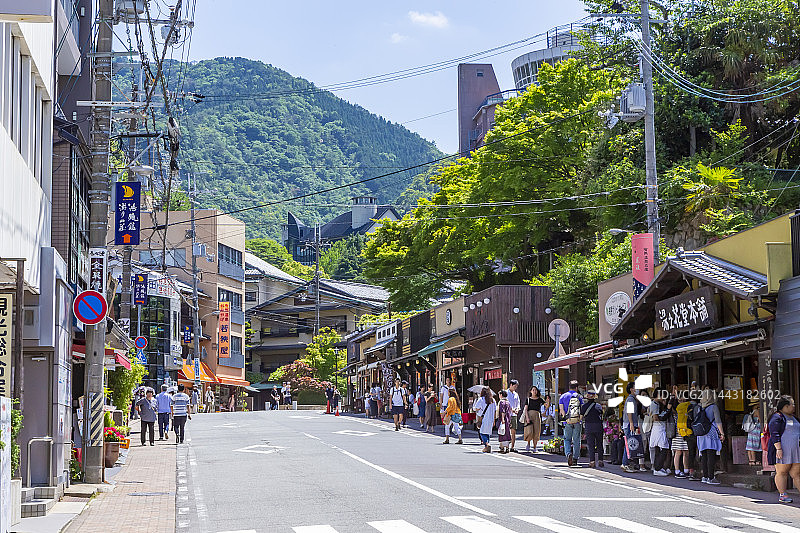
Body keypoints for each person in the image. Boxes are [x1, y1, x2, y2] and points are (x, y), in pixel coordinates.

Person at [767, 395, 800, 503]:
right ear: (785, 406)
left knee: (797, 474)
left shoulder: (794, 418)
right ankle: (783, 495)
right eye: (792, 404)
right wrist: (778, 449)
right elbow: (774, 433)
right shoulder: (777, 417)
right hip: (783, 450)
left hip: (796, 450)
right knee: (782, 472)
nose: (794, 406)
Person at [695, 387, 724, 485]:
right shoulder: (714, 407)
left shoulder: (699, 407)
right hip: (711, 432)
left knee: (704, 455)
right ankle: (711, 477)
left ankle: (705, 476)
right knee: (711, 455)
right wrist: (722, 433)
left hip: (701, 433)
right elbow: (718, 421)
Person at [559, 380, 583, 467]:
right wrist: (579, 419)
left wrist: (566, 418)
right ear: (576, 387)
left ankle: (568, 454)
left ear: (569, 387)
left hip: (567, 421)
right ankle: (575, 459)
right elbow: (582, 410)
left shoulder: (563, 396)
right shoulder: (579, 396)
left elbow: (561, 410)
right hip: (577, 421)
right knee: (576, 440)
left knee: (567, 439)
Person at [622, 382, 643, 473]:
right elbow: (629, 412)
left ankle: (626, 463)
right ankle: (625, 464)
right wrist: (631, 423)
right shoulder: (630, 399)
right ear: (631, 389)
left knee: (629, 444)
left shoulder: (632, 399)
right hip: (629, 424)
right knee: (629, 444)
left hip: (629, 424)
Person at [649, 394, 672, 476]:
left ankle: (658, 467)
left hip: (659, 428)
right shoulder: (655, 405)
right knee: (664, 448)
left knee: (658, 449)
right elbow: (655, 418)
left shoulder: (657, 404)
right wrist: (665, 413)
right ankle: (657, 468)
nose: (664, 399)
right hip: (658, 428)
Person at [580, 390, 604, 467]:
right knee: (599, 444)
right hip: (598, 426)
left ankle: (592, 461)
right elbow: (601, 414)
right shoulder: (598, 406)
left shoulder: (584, 406)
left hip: (589, 426)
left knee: (591, 444)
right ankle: (600, 460)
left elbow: (581, 417)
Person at [473, 387, 496, 453]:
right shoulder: (493, 400)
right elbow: (495, 410)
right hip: (491, 419)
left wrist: (476, 409)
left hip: (484, 418)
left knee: (482, 433)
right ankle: (487, 447)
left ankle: (487, 444)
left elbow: (476, 408)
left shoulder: (481, 399)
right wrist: (494, 420)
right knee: (487, 433)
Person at [523, 386, 544, 452]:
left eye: (536, 390)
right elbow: (525, 409)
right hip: (529, 415)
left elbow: (546, 405)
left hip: (537, 416)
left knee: (537, 431)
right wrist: (527, 418)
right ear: (531, 391)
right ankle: (528, 443)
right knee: (529, 431)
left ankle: (535, 447)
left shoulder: (540, 399)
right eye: (533, 390)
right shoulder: (528, 399)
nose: (535, 391)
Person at [743, 400, 762, 466]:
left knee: (750, 446)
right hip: (756, 429)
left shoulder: (751, 412)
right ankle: (754, 460)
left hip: (751, 430)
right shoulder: (757, 411)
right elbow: (760, 420)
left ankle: (751, 460)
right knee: (754, 445)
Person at [507, 379, 520, 452]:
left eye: (516, 387)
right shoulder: (506, 393)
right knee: (507, 431)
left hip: (514, 415)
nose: (515, 388)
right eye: (514, 386)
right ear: (511, 385)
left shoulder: (516, 394)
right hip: (507, 414)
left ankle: (512, 447)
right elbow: (505, 403)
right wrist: (511, 409)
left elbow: (518, 403)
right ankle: (506, 446)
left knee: (513, 431)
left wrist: (517, 409)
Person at [497, 389, 513, 454]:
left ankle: (502, 448)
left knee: (502, 433)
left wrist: (502, 419)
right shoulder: (508, 402)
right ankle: (507, 447)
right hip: (508, 419)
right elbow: (510, 411)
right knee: (507, 433)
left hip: (503, 419)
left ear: (501, 395)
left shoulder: (501, 402)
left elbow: (502, 411)